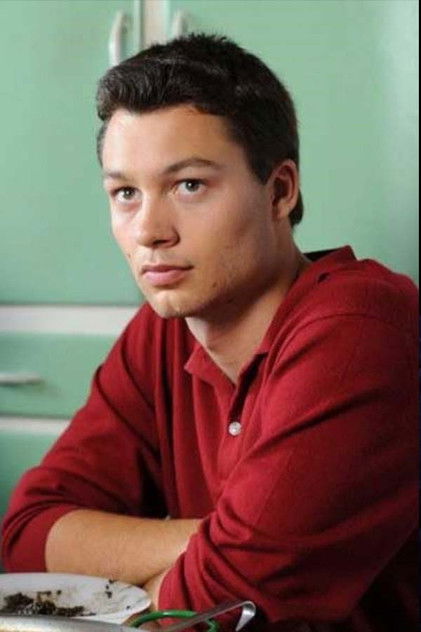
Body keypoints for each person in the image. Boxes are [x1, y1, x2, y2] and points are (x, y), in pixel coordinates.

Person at [1, 34, 418, 632]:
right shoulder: (161, 334)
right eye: (125, 193)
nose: (150, 231)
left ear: (280, 191)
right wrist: (212, 543)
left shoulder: (360, 330)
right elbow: (27, 540)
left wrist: (155, 578)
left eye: (189, 185)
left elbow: (218, 610)